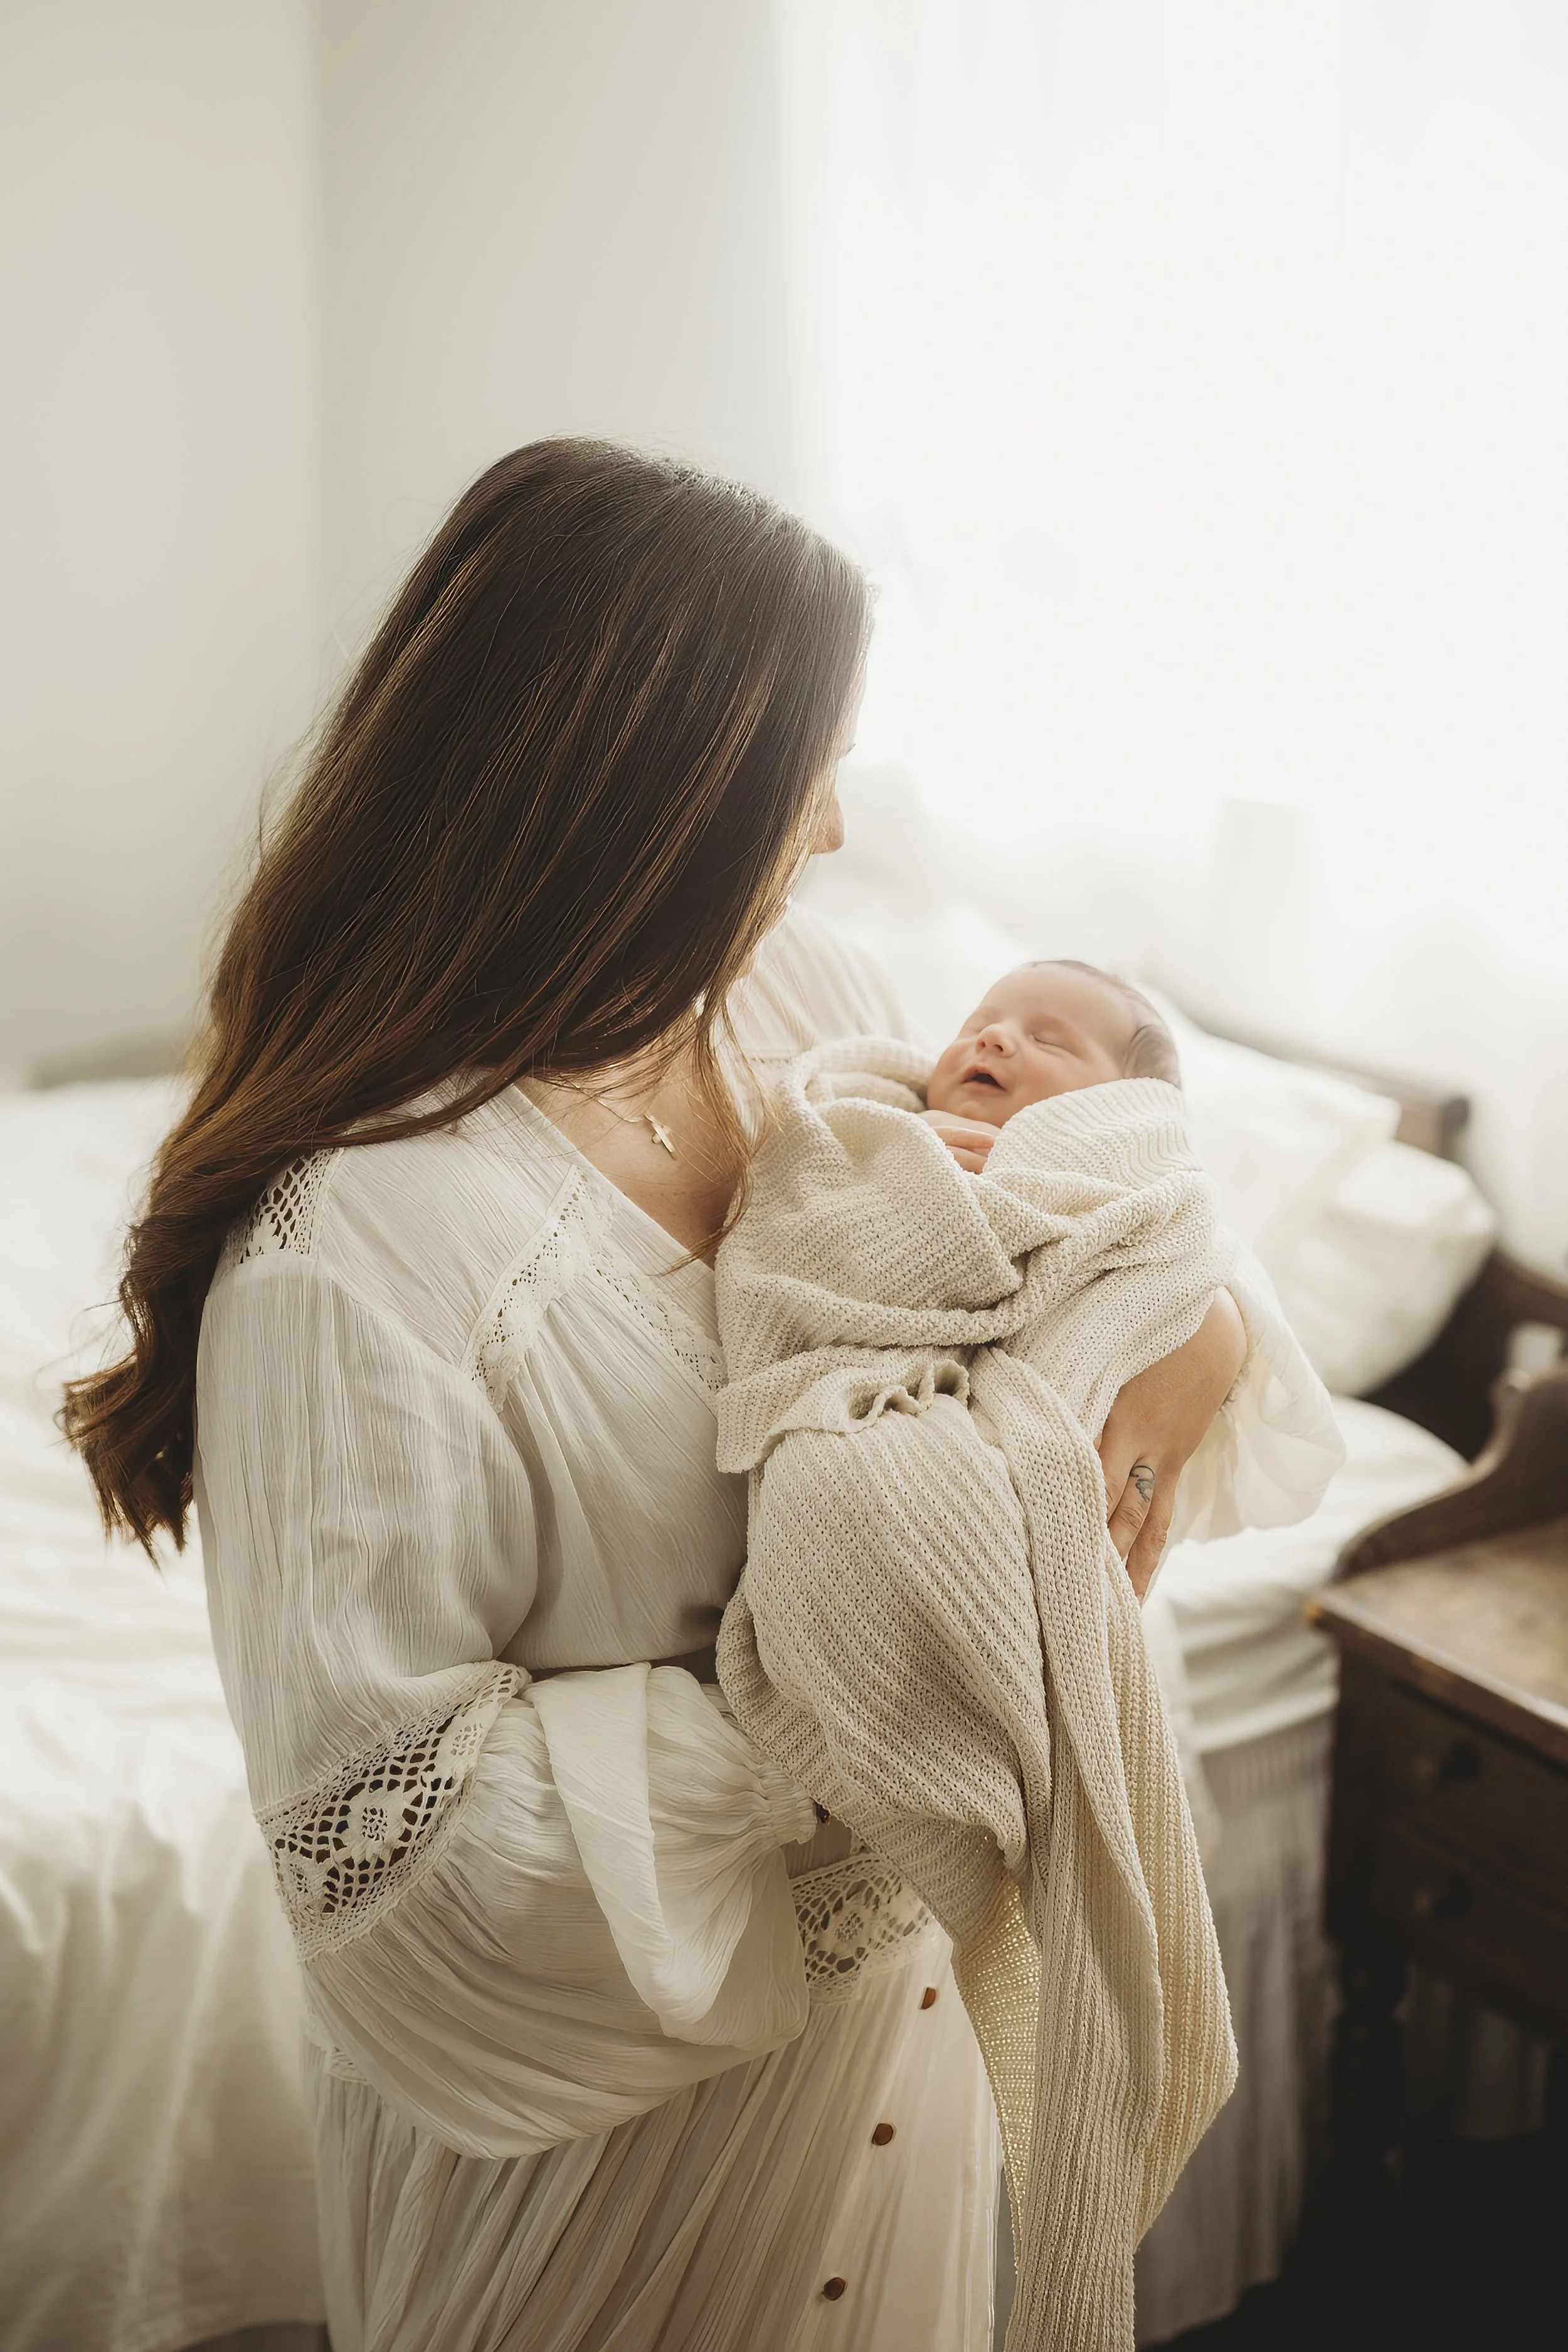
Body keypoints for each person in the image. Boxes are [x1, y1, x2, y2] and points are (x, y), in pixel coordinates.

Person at [65, 440, 1247, 2351]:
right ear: (653, 778)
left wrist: (1197, 1342)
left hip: (903, 2061)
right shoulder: (352, 1252)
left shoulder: (803, 1004)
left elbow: (1100, 1185)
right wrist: (872, 1708)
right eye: (814, 764)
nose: (839, 829)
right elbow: (404, 1877)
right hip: (612, 2192)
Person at [920, 960, 1180, 1173]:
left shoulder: (1112, 1193)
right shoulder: (892, 1112)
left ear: (1115, 1105)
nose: (992, 1035)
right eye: (978, 1026)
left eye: (1046, 1040)